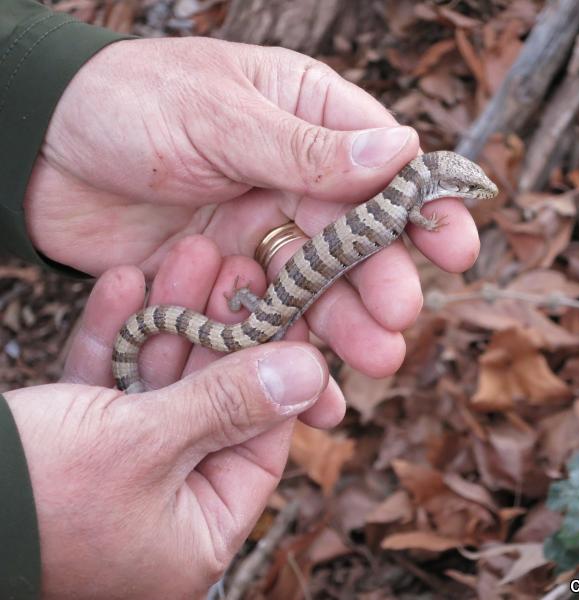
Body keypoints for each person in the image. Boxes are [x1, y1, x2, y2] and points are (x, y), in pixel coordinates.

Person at [0, 1, 482, 598]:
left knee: (283, 319)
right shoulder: (410, 203)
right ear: (440, 183)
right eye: (469, 187)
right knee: (285, 337)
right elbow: (415, 223)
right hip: (273, 304)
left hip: (276, 295)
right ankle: (149, 376)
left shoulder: (404, 195)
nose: (476, 193)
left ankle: (152, 365)